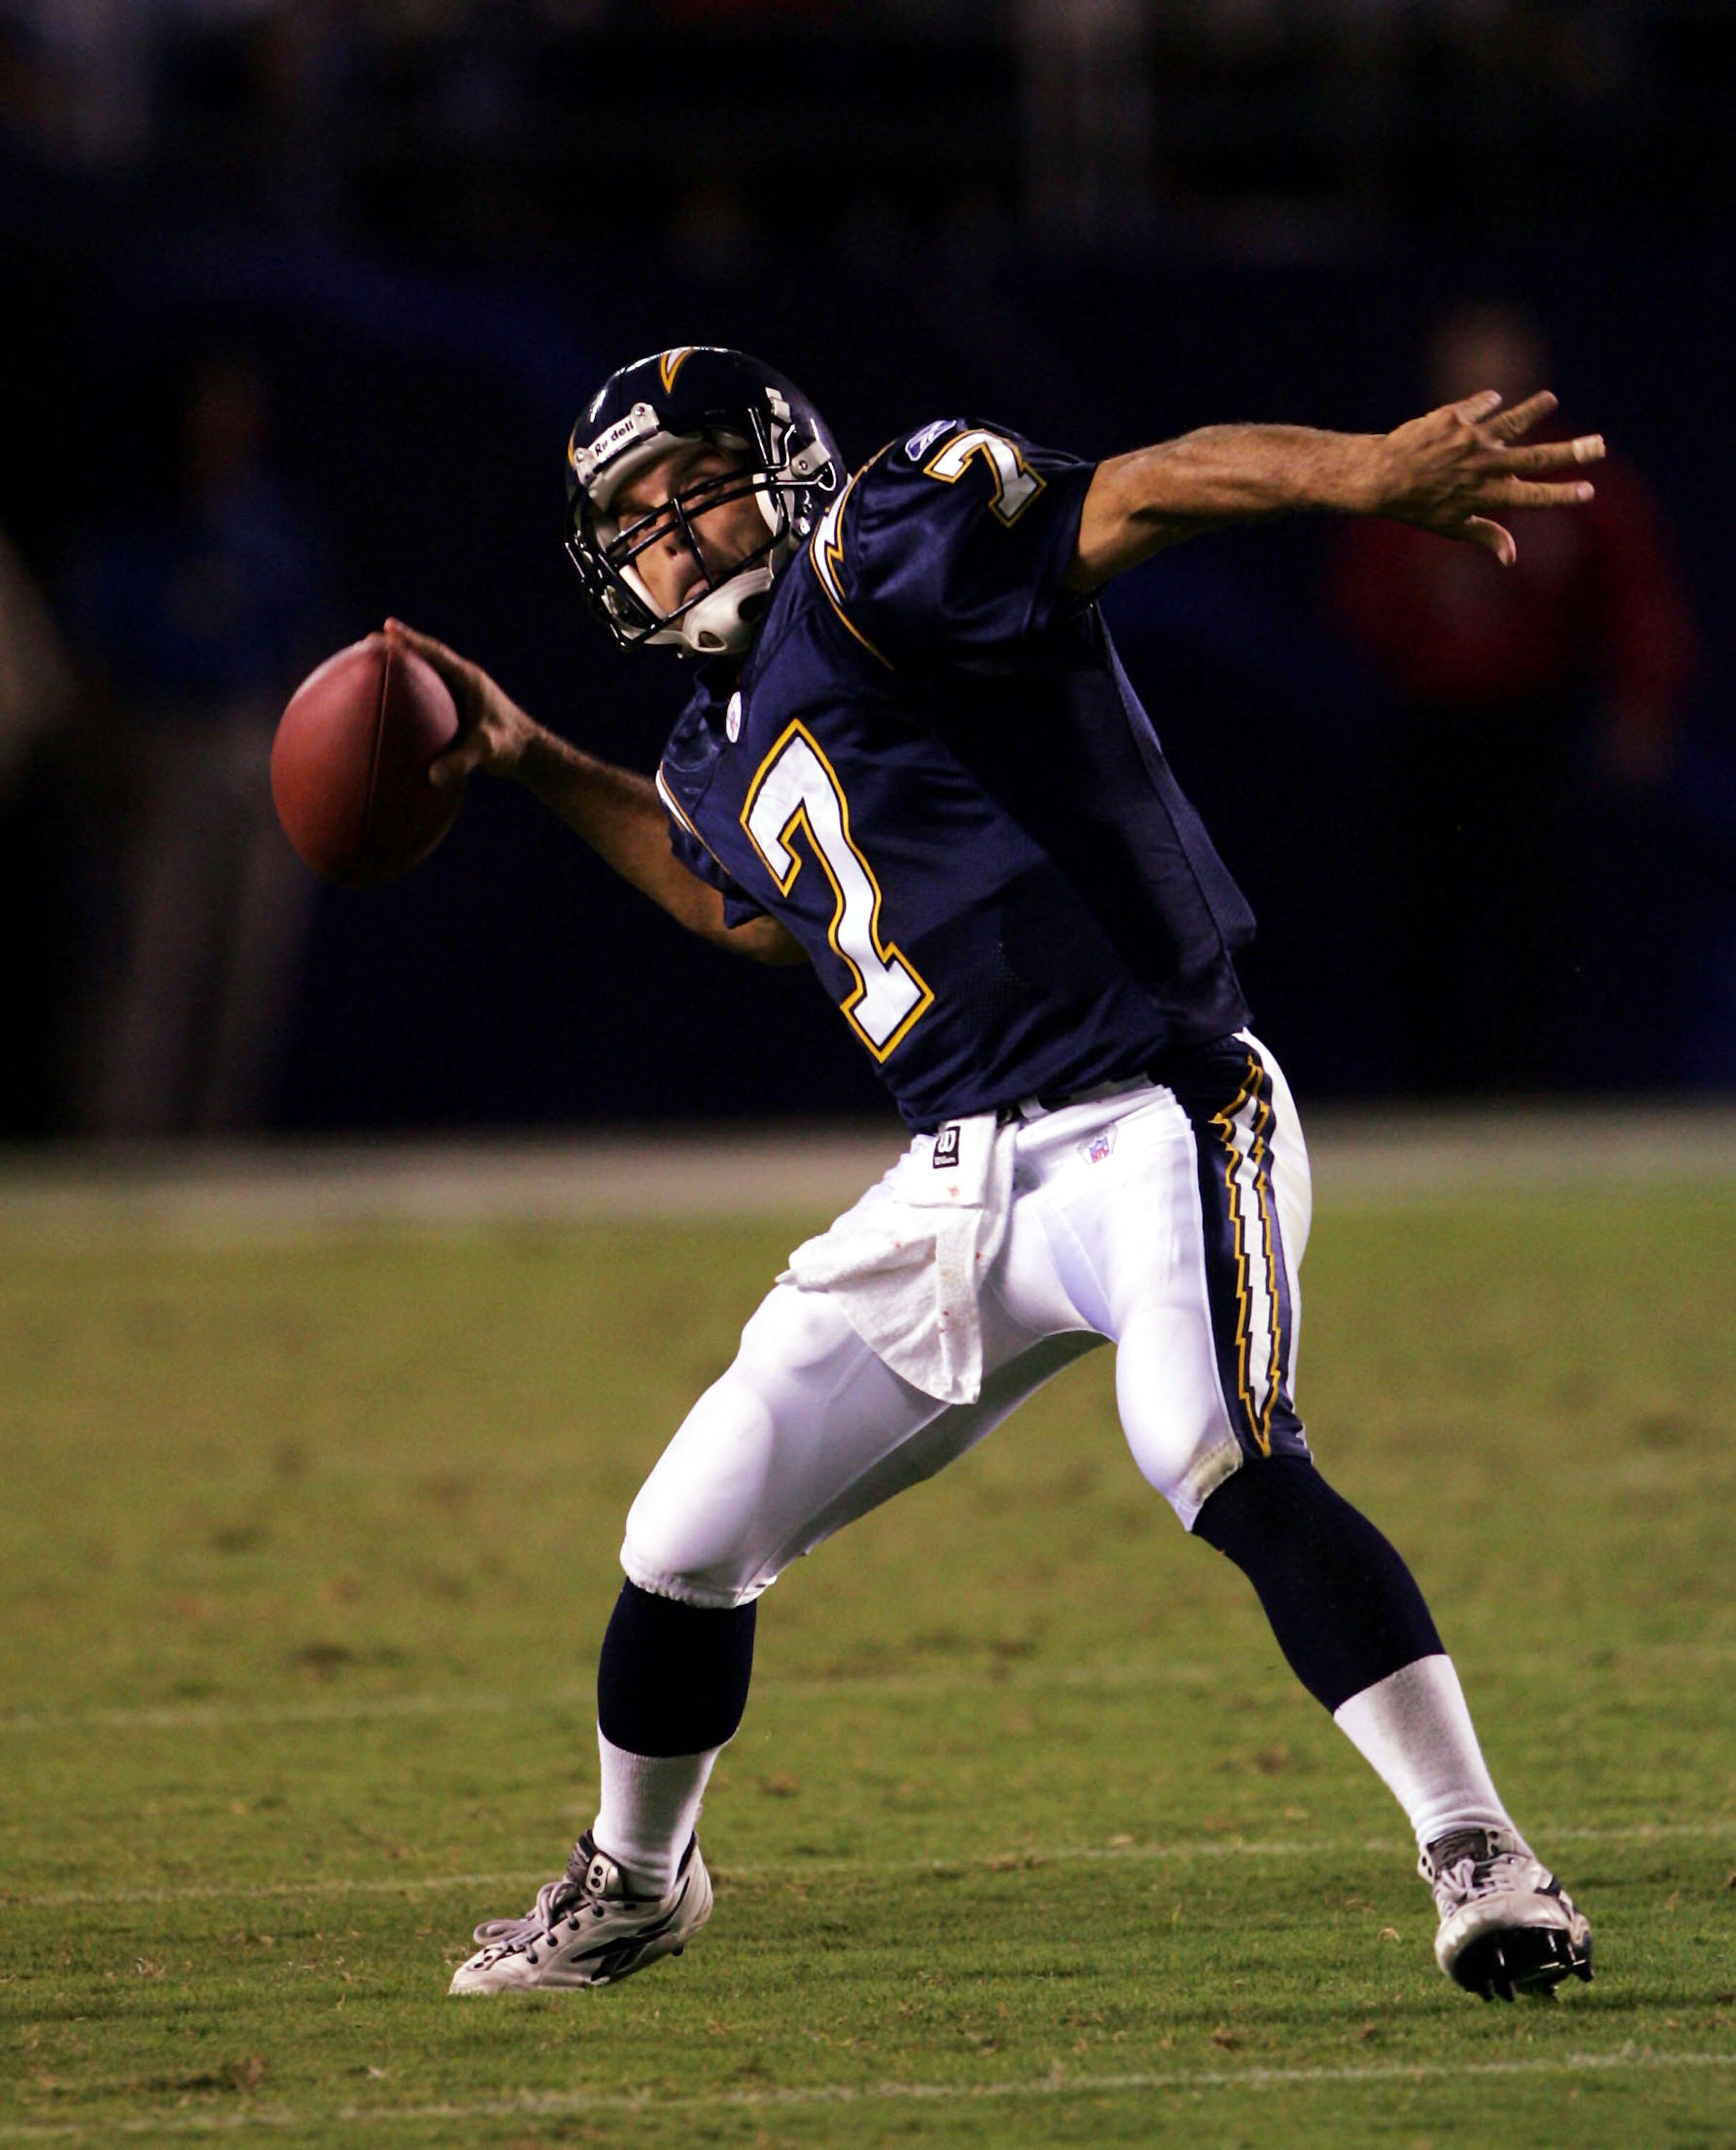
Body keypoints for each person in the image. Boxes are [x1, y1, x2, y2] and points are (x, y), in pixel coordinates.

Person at [390, 346, 1604, 2005]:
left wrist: (1361, 470)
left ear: (782, 462)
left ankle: (1480, 1852)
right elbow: (737, 907)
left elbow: (1150, 479)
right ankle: (637, 1878)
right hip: (957, 1174)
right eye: (632, 514)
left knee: (1215, 1448)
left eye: (690, 482)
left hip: (1158, 1112)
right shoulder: (707, 738)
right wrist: (533, 761)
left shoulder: (878, 548)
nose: (667, 532)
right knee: (684, 1529)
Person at [1327, 302, 1697, 1092]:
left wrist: (1641, 710)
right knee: (1424, 919)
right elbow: (1354, 608)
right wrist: (1423, 593)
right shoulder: (1398, 481)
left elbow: (1639, 604)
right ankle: (1430, 1093)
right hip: (1427, 733)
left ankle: (1527, 1094)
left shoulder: (1577, 479)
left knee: (1536, 920)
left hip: (1534, 728)